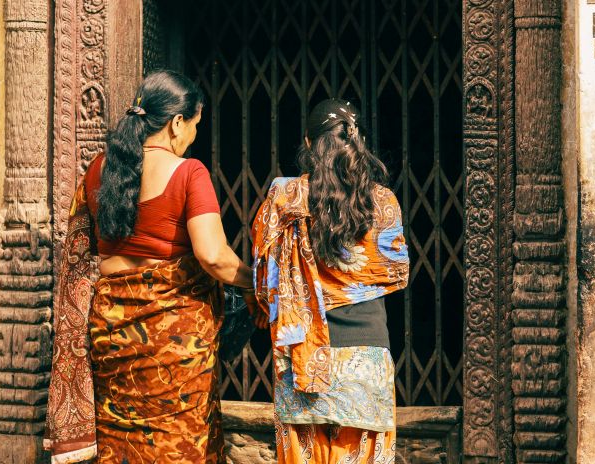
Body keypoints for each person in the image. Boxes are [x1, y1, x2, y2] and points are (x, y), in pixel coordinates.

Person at [44, 70, 257, 464]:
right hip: (173, 349)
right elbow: (213, 256)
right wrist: (253, 281)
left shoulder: (97, 170)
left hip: (112, 338)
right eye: (195, 125)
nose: (194, 135)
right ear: (177, 123)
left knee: (120, 445)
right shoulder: (189, 172)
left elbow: (79, 257)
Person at [251, 99, 410, 463]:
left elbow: (266, 282)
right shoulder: (384, 201)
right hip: (367, 359)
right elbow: (396, 271)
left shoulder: (285, 197)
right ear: (358, 142)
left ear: (308, 143)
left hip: (304, 361)